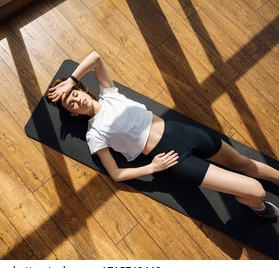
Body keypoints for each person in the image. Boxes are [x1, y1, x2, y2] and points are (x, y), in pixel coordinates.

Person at [47, 51, 279, 219]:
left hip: (182, 132)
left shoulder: (109, 94)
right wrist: (153, 168)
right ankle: (256, 206)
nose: (76, 100)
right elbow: (116, 174)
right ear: (73, 114)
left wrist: (70, 80)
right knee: (255, 191)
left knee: (244, 163)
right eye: (71, 104)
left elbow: (95, 57)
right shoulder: (94, 134)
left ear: (80, 89)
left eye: (74, 94)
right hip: (171, 158)